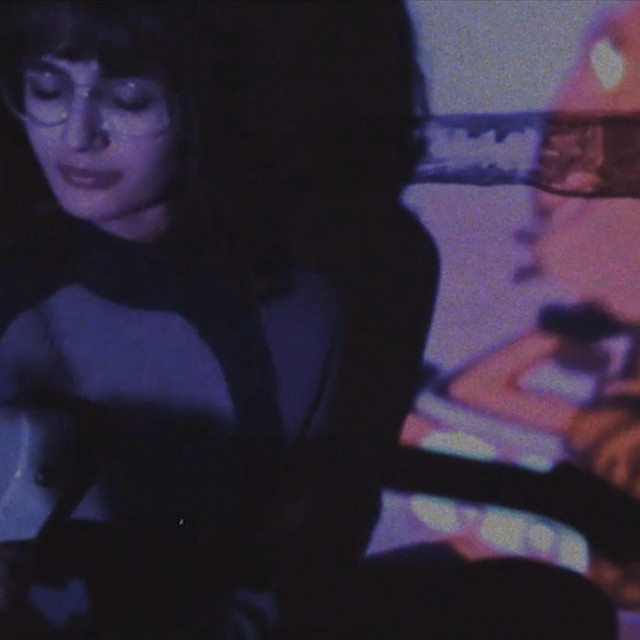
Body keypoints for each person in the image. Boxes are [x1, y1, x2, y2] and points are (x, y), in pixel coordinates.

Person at [0, 1, 618, 639]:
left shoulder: (315, 292)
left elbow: (311, 533)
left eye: (128, 98)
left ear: (203, 97)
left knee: (544, 606)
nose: (76, 134)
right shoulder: (25, 274)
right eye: (45, 88)